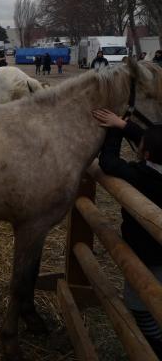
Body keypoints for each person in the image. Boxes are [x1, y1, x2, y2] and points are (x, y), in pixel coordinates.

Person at [93, 108, 162, 358]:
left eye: (140, 142)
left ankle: (153, 344)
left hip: (148, 254)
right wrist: (125, 126)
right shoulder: (154, 166)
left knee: (141, 301)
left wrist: (113, 133)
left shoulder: (144, 177)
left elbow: (109, 163)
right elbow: (152, 139)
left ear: (145, 153)